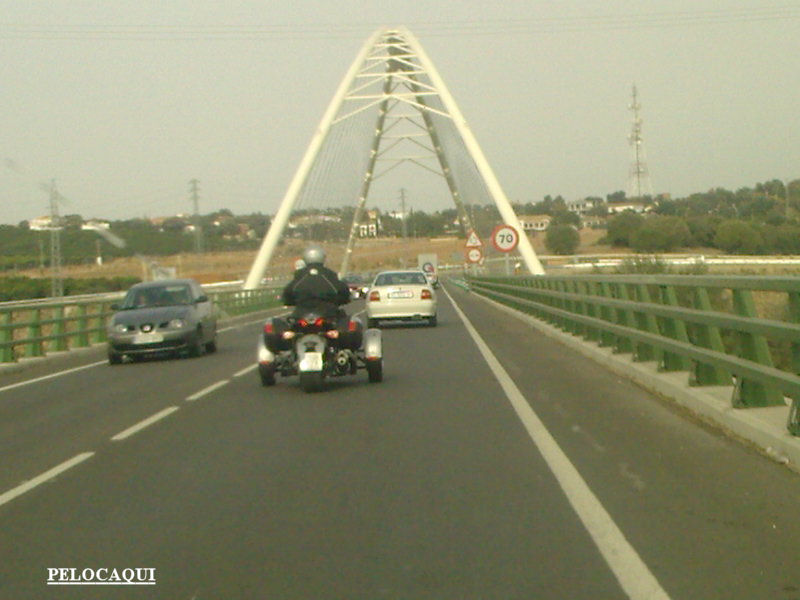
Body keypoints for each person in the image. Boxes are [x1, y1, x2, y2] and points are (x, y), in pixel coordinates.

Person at [282, 245, 350, 319]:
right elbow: (343, 291)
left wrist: (289, 301)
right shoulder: (329, 274)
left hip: (301, 315)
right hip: (328, 314)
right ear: (323, 258)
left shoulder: (300, 275)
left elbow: (288, 293)